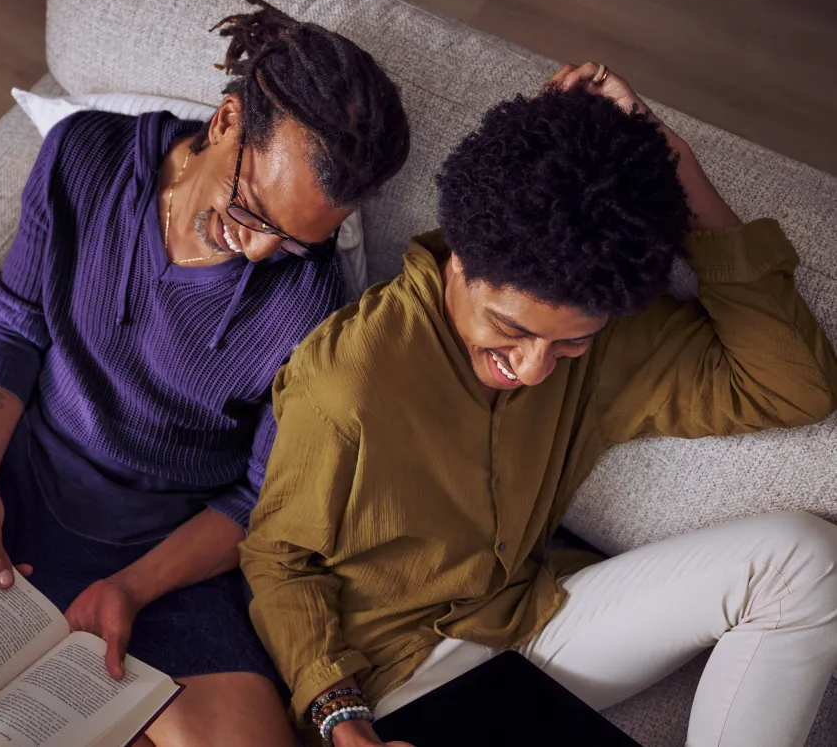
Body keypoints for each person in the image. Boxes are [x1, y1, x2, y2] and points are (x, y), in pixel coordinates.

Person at [240, 62, 837, 747]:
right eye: (512, 330)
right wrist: (341, 719)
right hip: (398, 685)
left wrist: (679, 170)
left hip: (535, 618)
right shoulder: (348, 378)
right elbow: (277, 557)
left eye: (570, 345)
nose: (530, 368)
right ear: (459, 259)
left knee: (807, 557)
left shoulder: (611, 332)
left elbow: (794, 384)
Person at [0, 0, 409, 747]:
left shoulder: (309, 304)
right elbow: (13, 323)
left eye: (293, 241)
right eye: (254, 210)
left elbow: (261, 497)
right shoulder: (84, 155)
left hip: (165, 557)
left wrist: (132, 588)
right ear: (226, 122)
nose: (259, 253)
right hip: (13, 469)